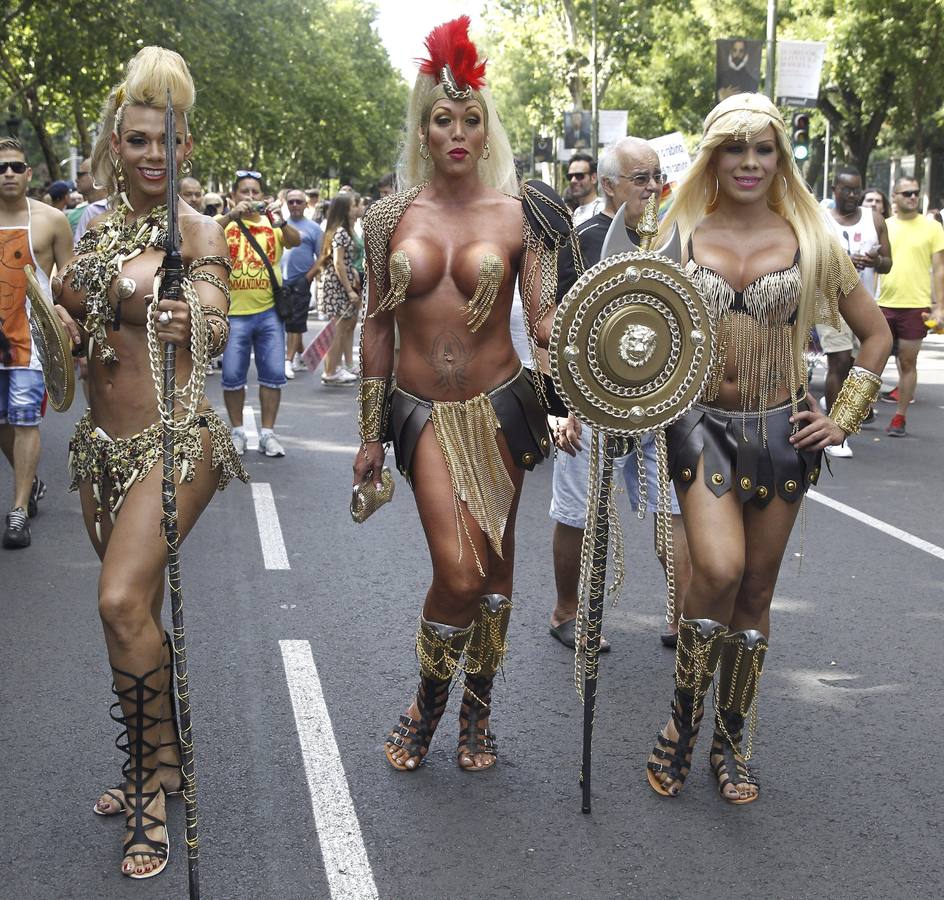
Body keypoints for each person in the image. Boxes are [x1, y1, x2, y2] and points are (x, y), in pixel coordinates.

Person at [644, 93, 891, 805]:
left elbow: (873, 335)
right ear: (713, 157)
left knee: (755, 591)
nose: (750, 162)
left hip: (783, 433)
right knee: (717, 570)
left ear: (780, 158)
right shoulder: (679, 232)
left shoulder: (810, 238)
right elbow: (634, 323)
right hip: (701, 427)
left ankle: (731, 739)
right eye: (735, 148)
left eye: (764, 149)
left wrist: (843, 418)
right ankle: (683, 716)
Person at [353, 16, 572, 773]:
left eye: (470, 119)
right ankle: (427, 705)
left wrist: (572, 388)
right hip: (423, 414)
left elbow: (543, 318)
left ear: (487, 131)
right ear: (421, 129)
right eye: (441, 118)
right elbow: (376, 328)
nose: (456, 131)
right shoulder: (388, 217)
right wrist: (370, 433)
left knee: (497, 569)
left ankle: (477, 714)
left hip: (504, 405)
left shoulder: (524, 215)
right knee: (460, 572)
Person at [50, 46, 248, 879]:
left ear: (187, 148)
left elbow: (210, 312)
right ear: (112, 147)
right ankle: (165, 760)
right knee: (131, 619)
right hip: (99, 449)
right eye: (137, 142)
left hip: (177, 441)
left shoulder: (198, 231)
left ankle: (143, 786)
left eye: (167, 141)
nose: (153, 156)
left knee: (120, 597)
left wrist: (185, 320)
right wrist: (64, 324)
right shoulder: (92, 229)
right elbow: (72, 312)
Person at [548, 136, 692, 651]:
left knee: (672, 506)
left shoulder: (673, 237)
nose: (653, 187)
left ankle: (683, 617)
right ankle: (567, 612)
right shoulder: (581, 237)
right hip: (589, 402)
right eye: (640, 179)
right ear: (609, 185)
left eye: (657, 176)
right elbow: (556, 329)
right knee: (578, 512)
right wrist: (565, 409)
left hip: (656, 401)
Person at [0, 137, 73, 547]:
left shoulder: (50, 221)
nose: (7, 173)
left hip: (31, 339)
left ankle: (18, 509)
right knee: (2, 422)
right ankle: (31, 484)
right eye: (0, 168)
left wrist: (68, 320)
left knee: (25, 418)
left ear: (28, 173)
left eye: (15, 166)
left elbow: (70, 281)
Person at [216, 169, 300, 456]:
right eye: (244, 192)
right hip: (234, 314)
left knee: (274, 375)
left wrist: (280, 218)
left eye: (255, 192)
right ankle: (237, 431)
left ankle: (268, 434)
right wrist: (230, 216)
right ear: (233, 196)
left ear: (262, 196)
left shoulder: (271, 222)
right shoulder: (225, 225)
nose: (250, 197)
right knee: (231, 376)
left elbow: (295, 240)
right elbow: (200, 236)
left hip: (269, 314)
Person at [820, 166, 892, 457]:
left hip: (864, 304)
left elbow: (888, 264)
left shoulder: (874, 219)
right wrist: (841, 262)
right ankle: (836, 432)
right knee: (837, 361)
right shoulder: (821, 220)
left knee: (856, 363)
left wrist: (876, 259)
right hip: (830, 301)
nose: (852, 195)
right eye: (846, 189)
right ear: (834, 189)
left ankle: (844, 411)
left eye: (857, 189)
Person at [876, 176, 944, 436]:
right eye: (906, 193)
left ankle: (899, 417)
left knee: (907, 362)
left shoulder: (932, 228)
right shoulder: (884, 225)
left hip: (915, 305)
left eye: (915, 192)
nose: (912, 197)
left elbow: (940, 270)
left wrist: (940, 307)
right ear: (894, 197)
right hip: (882, 303)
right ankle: (860, 411)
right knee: (873, 361)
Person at [316, 191, 360, 385]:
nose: (354, 209)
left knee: (341, 328)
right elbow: (338, 263)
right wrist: (349, 289)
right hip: (338, 286)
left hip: (340, 283)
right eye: (352, 206)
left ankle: (335, 368)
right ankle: (330, 371)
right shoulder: (341, 232)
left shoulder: (340, 230)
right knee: (337, 329)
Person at [281, 187, 322, 378]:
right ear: (286, 204)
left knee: (295, 322)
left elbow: (322, 257)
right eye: (291, 201)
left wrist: (307, 278)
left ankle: (288, 361)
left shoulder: (313, 228)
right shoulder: (278, 225)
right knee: (286, 321)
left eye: (299, 201)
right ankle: (302, 355)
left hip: (301, 282)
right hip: (279, 282)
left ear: (306, 204)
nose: (295, 205)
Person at [567, 151, 603, 225]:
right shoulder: (576, 212)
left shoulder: (603, 209)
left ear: (593, 178)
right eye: (570, 176)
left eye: (579, 176)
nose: (573, 180)